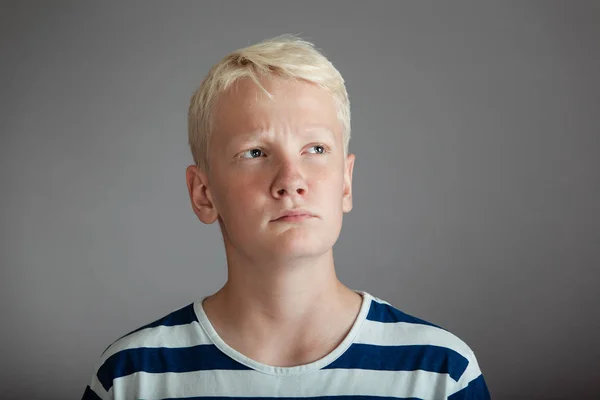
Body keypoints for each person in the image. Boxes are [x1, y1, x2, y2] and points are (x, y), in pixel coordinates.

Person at [81, 34, 491, 400]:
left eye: (315, 149)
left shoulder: (439, 374)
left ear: (345, 183)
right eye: (255, 153)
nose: (291, 181)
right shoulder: (132, 379)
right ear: (203, 194)